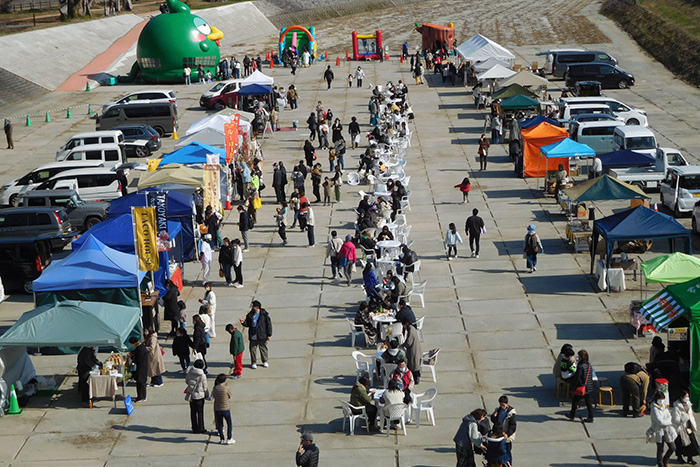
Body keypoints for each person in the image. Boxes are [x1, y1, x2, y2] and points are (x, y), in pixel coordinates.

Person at [240, 300, 272, 369]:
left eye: (253, 306)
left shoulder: (264, 315)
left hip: (262, 334)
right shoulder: (250, 315)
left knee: (263, 348)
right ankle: (253, 362)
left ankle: (265, 361)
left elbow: (268, 325)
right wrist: (243, 323)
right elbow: (248, 324)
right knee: (252, 349)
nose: (252, 308)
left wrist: (269, 334)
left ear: (257, 307)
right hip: (253, 334)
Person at [649, 390, 678, 467]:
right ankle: (660, 464)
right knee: (660, 449)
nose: (662, 401)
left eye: (663, 399)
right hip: (659, 431)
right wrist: (668, 422)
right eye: (660, 399)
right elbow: (660, 421)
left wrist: (667, 421)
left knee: (672, 447)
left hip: (667, 430)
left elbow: (669, 416)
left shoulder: (664, 406)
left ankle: (665, 460)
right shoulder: (654, 409)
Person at [567, 349, 595, 423]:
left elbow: (577, 378)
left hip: (581, 387)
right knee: (588, 403)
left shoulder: (580, 366)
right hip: (589, 387)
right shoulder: (589, 365)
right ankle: (590, 417)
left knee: (575, 401)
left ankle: (572, 415)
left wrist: (573, 388)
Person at [673, 389, 698, 464]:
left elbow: (691, 415)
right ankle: (679, 457)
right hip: (680, 428)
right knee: (680, 444)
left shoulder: (688, 404)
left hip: (688, 427)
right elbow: (675, 419)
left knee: (692, 443)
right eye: (685, 396)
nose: (687, 398)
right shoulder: (676, 406)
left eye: (688, 396)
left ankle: (690, 458)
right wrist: (684, 418)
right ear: (681, 397)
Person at [490, 395, 517, 465]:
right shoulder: (498, 410)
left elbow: (513, 426)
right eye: (500, 404)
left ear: (507, 403)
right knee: (499, 451)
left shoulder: (511, 414)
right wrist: (493, 416)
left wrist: (507, 434)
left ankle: (509, 464)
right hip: (499, 433)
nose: (502, 406)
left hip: (506, 436)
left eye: (503, 405)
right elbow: (494, 421)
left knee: (507, 451)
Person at [185, 359, 209, 434]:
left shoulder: (190, 372)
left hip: (192, 396)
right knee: (200, 412)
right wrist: (207, 395)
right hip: (200, 396)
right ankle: (201, 428)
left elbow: (187, 381)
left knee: (193, 412)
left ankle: (194, 428)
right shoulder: (202, 375)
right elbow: (205, 387)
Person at [212, 374, 234, 445]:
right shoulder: (226, 388)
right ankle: (229, 438)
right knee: (229, 423)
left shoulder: (215, 388)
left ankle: (222, 439)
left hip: (218, 408)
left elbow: (213, 396)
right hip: (226, 408)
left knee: (220, 424)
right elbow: (229, 396)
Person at [401, 318, 422, 384]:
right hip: (416, 349)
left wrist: (402, 345)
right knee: (415, 365)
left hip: (413, 350)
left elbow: (409, 342)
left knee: (413, 365)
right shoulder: (412, 328)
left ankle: (415, 380)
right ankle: (416, 378)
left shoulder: (410, 330)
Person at [128, 336, 148, 402]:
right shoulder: (140, 347)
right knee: (139, 382)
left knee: (141, 382)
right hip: (141, 367)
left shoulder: (141, 349)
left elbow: (138, 359)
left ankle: (142, 397)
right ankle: (140, 396)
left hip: (141, 367)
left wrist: (132, 357)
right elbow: (136, 352)